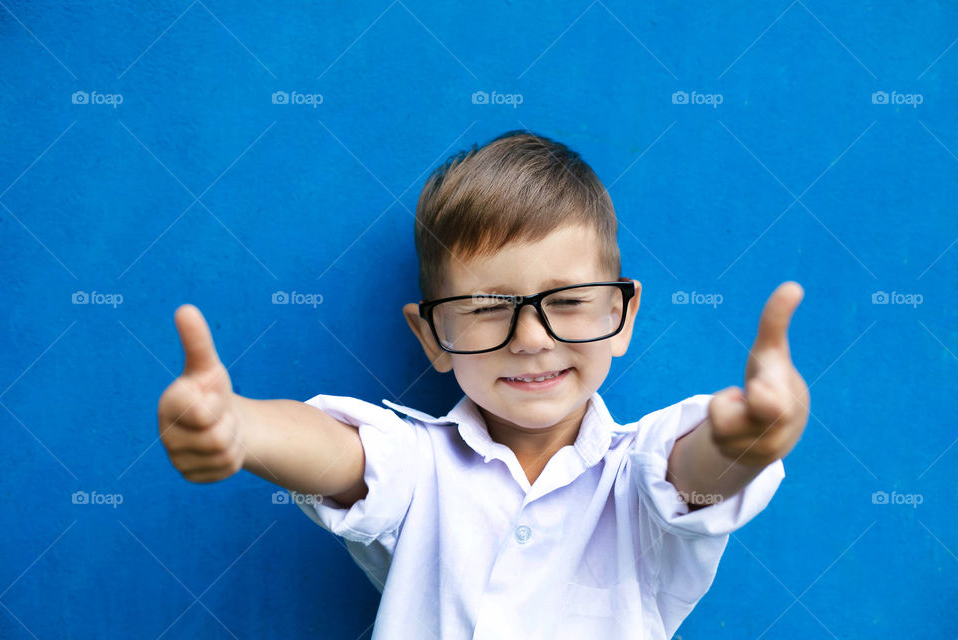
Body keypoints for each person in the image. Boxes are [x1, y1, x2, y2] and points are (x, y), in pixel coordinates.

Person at [157, 130, 810, 639]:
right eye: (488, 306)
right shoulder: (417, 465)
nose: (531, 338)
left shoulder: (640, 474)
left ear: (622, 315)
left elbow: (692, 475)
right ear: (431, 337)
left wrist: (745, 442)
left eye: (570, 300)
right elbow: (336, 451)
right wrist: (241, 427)